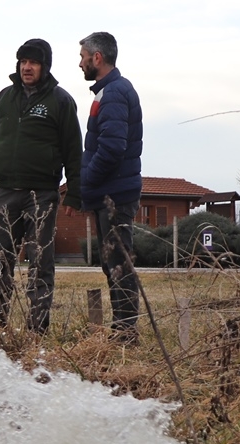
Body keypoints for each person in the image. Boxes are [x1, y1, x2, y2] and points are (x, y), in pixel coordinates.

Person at [0, 39, 82, 335]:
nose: (27, 67)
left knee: (41, 263)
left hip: (41, 194)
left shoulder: (60, 101)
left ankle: (36, 329)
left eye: (34, 62)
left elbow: (74, 150)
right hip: (5, 192)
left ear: (45, 66)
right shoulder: (5, 98)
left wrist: (75, 192)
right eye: (23, 61)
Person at [64, 31, 143, 344]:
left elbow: (111, 149)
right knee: (112, 263)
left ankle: (125, 334)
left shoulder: (113, 94)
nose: (80, 63)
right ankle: (122, 330)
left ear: (97, 58)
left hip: (114, 195)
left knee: (118, 264)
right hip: (110, 193)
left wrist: (86, 184)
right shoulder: (108, 92)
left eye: (83, 56)